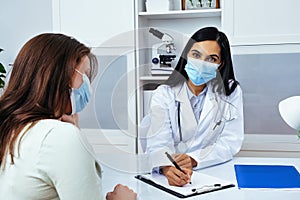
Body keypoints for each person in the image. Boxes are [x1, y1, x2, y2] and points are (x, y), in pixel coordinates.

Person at [0, 33, 136, 200]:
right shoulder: (60, 136)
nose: (87, 85)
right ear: (58, 76)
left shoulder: (13, 127)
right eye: (84, 75)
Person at [145, 27, 244, 186]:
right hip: (173, 173)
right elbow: (158, 143)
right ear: (186, 56)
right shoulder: (164, 94)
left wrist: (194, 159)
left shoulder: (230, 92)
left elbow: (230, 141)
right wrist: (167, 168)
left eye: (211, 59)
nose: (201, 64)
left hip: (215, 171)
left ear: (220, 64)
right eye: (196, 55)